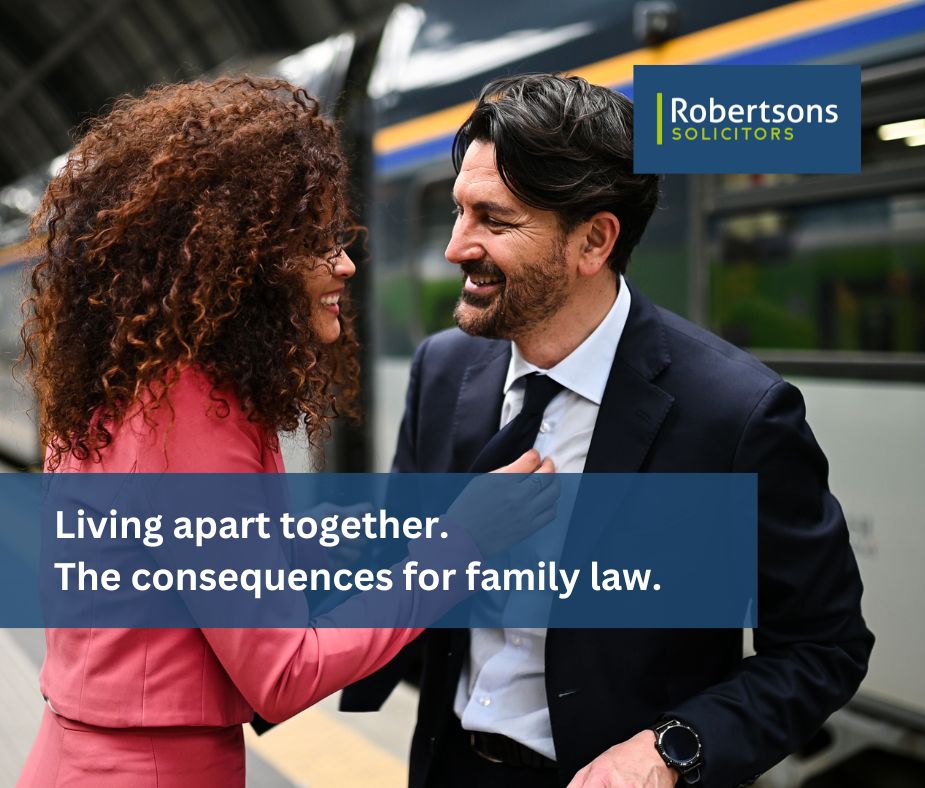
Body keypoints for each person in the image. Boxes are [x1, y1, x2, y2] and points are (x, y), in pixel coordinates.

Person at [17, 75, 554, 787]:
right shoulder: (195, 410)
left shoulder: (136, 382)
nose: (344, 263)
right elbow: (283, 670)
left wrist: (321, 535)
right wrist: (468, 542)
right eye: (314, 242)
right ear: (238, 260)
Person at [341, 74, 875, 788]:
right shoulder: (443, 370)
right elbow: (398, 563)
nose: (454, 247)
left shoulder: (736, 415)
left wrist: (670, 750)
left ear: (594, 240)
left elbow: (822, 647)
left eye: (493, 222)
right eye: (458, 211)